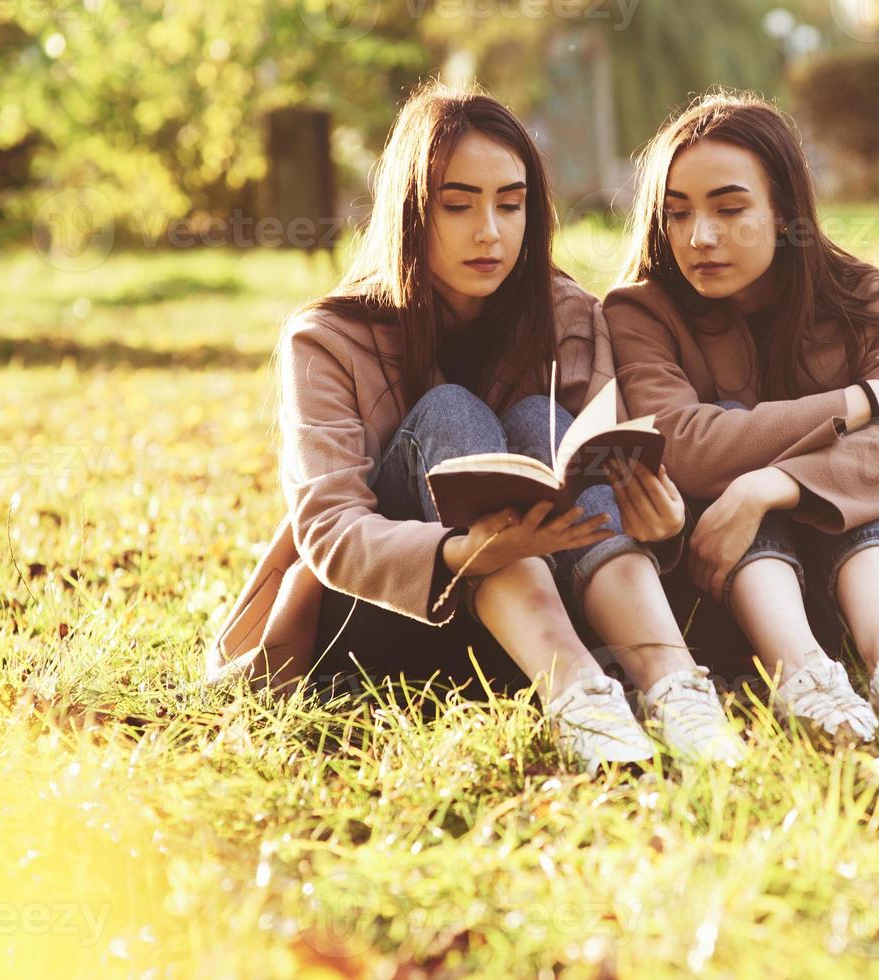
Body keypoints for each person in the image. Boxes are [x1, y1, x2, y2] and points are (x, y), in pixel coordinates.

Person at [206, 83, 746, 772]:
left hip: (539, 629)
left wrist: (660, 517)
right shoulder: (326, 337)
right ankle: (579, 697)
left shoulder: (568, 314)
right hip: (384, 629)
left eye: (510, 204)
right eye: (457, 206)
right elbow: (329, 531)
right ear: (410, 211)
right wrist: (469, 550)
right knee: (451, 412)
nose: (489, 231)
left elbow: (607, 477)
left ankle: (674, 688)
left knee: (540, 421)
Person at [604, 91, 879, 747]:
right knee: (736, 422)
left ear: (783, 210)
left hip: (851, 600)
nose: (700, 237)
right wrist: (858, 402)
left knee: (851, 459)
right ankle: (801, 676)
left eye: (729, 209)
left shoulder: (859, 296)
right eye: (678, 214)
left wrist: (770, 486)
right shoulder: (638, 313)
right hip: (714, 598)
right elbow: (686, 446)